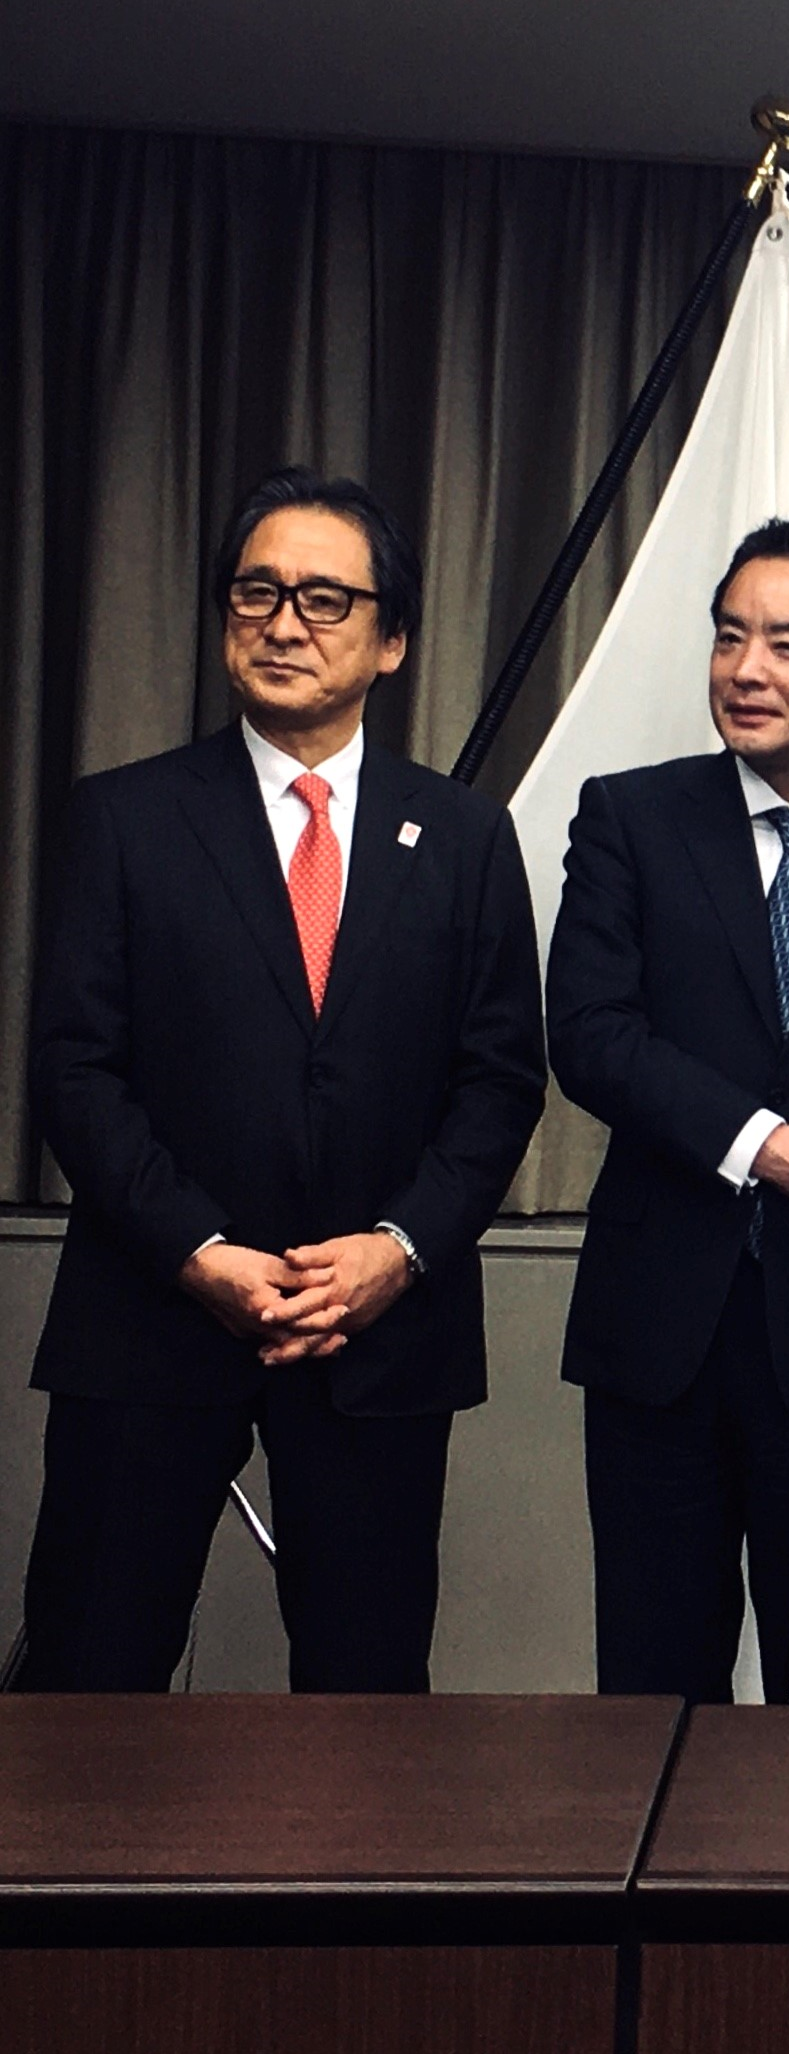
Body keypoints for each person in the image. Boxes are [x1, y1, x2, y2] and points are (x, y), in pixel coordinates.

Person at [22, 469, 545, 1690]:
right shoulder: (124, 818)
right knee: (89, 1683)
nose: (284, 622)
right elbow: (73, 1068)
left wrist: (398, 1248)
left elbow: (500, 1079)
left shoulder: (465, 838)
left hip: (376, 1335)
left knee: (364, 1704)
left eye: (324, 597)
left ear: (392, 639)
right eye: (257, 591)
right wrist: (195, 1248)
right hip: (151, 1318)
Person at [548, 516, 789, 1706]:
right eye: (728, 639)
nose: (747, 670)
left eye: (785, 642)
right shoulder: (631, 817)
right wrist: (766, 1148)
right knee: (653, 1689)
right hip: (660, 1327)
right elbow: (593, 1039)